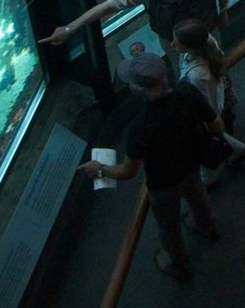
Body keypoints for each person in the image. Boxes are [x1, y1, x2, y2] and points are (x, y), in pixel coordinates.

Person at [78, 53, 222, 281]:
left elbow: (128, 171)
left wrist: (99, 169)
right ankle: (208, 227)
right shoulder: (187, 92)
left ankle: (178, 264)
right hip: (192, 164)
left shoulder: (140, 128)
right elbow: (215, 123)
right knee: (198, 196)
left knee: (169, 225)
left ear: (139, 88)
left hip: (163, 184)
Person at [41, 0, 230, 79]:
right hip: (170, 39)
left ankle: (222, 96)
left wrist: (223, 13)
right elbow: (110, 5)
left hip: (206, 34)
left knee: (216, 64)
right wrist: (70, 28)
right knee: (181, 69)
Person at [173, 18, 245, 182]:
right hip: (211, 106)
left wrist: (207, 120)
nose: (172, 44)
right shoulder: (206, 43)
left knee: (209, 141)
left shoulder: (198, 76)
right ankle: (240, 150)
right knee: (218, 134)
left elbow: (208, 102)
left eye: (177, 41)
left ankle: (209, 179)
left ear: (190, 46)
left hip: (207, 112)